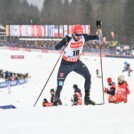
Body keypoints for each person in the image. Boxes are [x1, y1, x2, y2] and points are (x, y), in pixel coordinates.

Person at [54, 23, 102, 106]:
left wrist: (98, 29)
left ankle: (87, 99)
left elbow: (97, 37)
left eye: (80, 35)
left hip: (76, 63)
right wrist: (64, 41)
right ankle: (56, 100)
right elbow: (56, 47)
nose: (79, 37)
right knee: (60, 85)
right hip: (65, 64)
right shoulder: (68, 38)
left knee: (88, 76)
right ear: (73, 33)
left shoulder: (83, 37)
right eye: (77, 35)